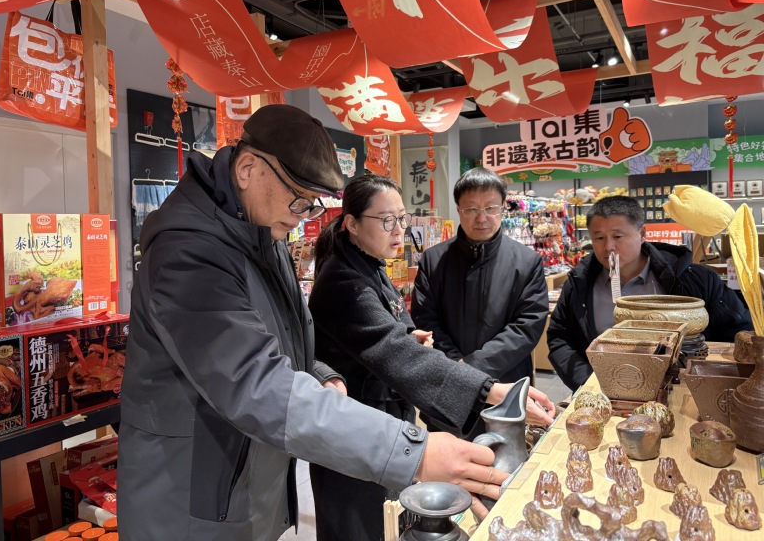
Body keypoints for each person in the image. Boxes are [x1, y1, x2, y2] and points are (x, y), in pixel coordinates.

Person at [118, 105, 521, 541]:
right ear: (248, 169)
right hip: (187, 496)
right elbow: (256, 384)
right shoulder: (187, 254)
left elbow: (276, 336)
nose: (301, 215)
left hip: (241, 482)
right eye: (299, 200)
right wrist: (413, 452)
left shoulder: (257, 228)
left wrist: (318, 370)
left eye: (310, 206)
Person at [308, 174, 555, 541]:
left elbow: (394, 334)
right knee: (361, 525)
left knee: (392, 519)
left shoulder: (368, 263)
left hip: (392, 417)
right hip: (359, 428)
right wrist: (488, 389)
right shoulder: (345, 279)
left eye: (401, 218)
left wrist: (411, 338)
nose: (399, 230)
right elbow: (393, 349)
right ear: (352, 224)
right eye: (386, 220)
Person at [547, 195, 754, 391]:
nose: (608, 246)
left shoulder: (693, 279)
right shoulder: (579, 283)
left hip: (682, 392)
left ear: (642, 234)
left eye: (618, 236)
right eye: (599, 237)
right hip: (603, 395)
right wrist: (587, 382)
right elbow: (560, 338)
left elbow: (738, 332)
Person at [411, 168, 549, 437]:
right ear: (459, 210)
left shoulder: (527, 262)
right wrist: (454, 367)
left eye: (490, 208)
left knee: (507, 457)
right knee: (447, 456)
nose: (482, 217)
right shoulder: (433, 260)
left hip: (505, 386)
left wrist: (470, 368)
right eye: (471, 209)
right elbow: (425, 320)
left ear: (503, 208)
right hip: (447, 387)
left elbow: (526, 327)